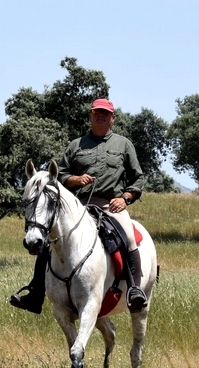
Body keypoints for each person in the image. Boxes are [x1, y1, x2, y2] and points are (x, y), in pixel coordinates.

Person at [10, 97, 148, 314]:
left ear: (113, 118)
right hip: (77, 207)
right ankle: (35, 294)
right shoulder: (76, 145)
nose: (100, 115)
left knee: (129, 238)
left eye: (105, 113)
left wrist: (126, 198)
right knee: (47, 242)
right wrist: (75, 180)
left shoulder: (124, 144)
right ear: (90, 116)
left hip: (110, 206)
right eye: (96, 112)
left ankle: (134, 290)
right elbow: (58, 175)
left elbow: (137, 178)